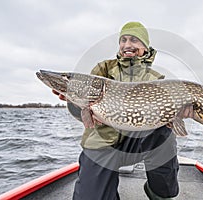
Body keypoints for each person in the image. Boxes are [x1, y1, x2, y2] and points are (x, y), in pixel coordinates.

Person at [53, 22, 179, 200]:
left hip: (138, 143)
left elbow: (170, 113)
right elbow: (84, 110)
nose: (127, 45)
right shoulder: (102, 69)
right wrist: (74, 102)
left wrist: (180, 112)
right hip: (103, 142)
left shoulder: (155, 79)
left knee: (163, 131)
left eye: (134, 40)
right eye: (123, 40)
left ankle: (159, 191)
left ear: (145, 46)